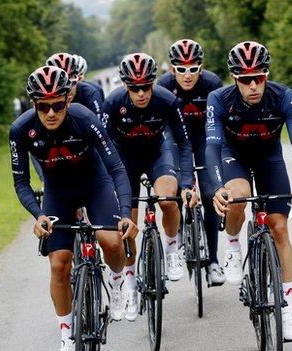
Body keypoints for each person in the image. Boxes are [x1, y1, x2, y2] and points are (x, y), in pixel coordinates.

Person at [9, 66, 137, 351]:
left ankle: (117, 284)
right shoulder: (21, 129)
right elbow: (21, 182)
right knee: (59, 264)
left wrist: (126, 213)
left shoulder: (85, 119)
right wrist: (38, 214)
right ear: (34, 105)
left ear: (68, 100)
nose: (51, 113)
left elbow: (116, 167)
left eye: (57, 104)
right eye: (43, 106)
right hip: (58, 192)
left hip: (95, 184)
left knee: (112, 242)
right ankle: (66, 332)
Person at [205, 41, 292, 342]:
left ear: (267, 75)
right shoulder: (218, 99)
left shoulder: (283, 96)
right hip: (232, 156)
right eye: (245, 80)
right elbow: (211, 147)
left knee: (279, 227)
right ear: (234, 78)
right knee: (237, 195)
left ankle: (288, 307)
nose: (253, 85)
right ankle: (232, 245)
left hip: (269, 158)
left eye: (260, 78)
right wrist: (217, 188)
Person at [102, 52, 197, 321]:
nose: (141, 93)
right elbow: (102, 148)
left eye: (146, 86)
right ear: (125, 86)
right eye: (135, 88)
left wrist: (188, 183)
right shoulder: (113, 103)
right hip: (125, 162)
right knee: (127, 227)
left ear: (154, 83)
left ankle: (171, 247)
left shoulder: (167, 100)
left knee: (168, 198)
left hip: (159, 152)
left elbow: (185, 142)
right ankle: (130, 286)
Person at [157, 39, 226, 285]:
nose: (187, 75)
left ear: (201, 67)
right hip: (175, 140)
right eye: (181, 68)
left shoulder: (211, 83)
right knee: (173, 191)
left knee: (209, 194)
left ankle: (214, 261)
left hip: (203, 138)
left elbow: (218, 122)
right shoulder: (164, 85)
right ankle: (177, 235)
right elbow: (162, 126)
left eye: (193, 68)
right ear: (172, 69)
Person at [46, 53, 104, 123]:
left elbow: (99, 124)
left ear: (77, 78)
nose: (67, 90)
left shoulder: (90, 93)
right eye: (60, 86)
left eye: (70, 83)